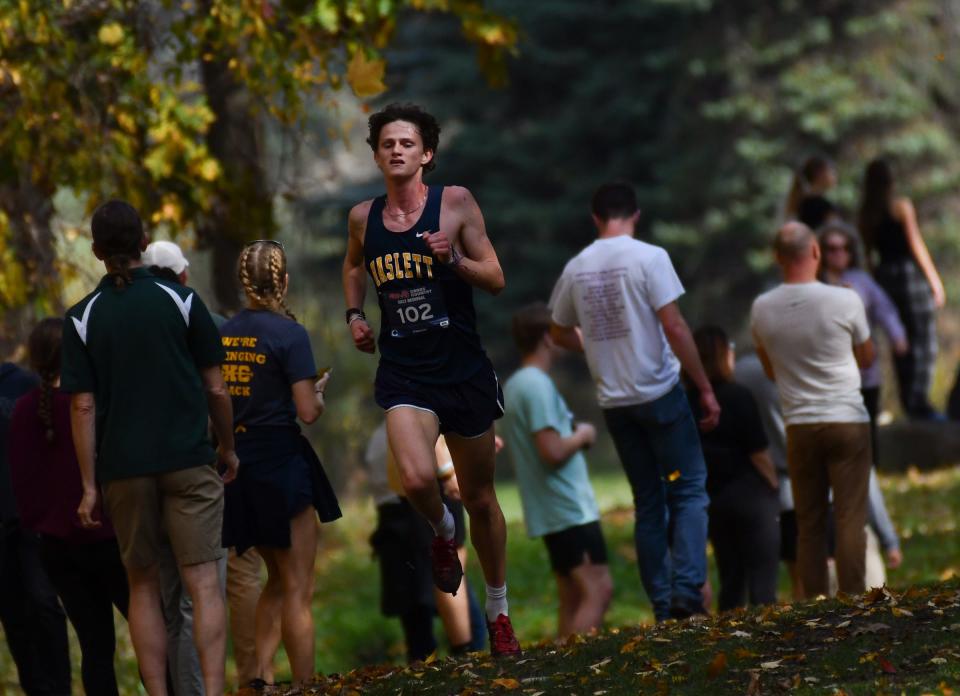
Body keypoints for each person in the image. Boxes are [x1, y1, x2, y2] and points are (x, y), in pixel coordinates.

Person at [341, 103, 520, 656]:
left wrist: (454, 263)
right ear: (376, 155)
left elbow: (495, 278)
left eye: (407, 144)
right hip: (405, 371)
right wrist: (355, 316)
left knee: (482, 498)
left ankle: (498, 612)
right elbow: (353, 266)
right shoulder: (362, 218)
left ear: (427, 154)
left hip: (462, 370)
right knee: (417, 481)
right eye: (387, 143)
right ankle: (445, 532)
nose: (397, 150)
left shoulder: (456, 204)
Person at [61, 199, 237, 695]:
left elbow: (83, 407)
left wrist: (90, 487)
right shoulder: (182, 301)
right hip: (189, 461)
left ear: (96, 250)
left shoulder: (82, 318)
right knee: (203, 583)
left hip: (123, 470)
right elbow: (216, 389)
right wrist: (228, 447)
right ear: (143, 242)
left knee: (143, 586)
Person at [548, 181, 720, 622]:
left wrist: (592, 345)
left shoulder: (577, 267)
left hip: (616, 403)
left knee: (648, 500)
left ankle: (663, 604)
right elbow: (675, 327)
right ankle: (686, 592)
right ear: (635, 215)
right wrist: (702, 385)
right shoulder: (650, 258)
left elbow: (557, 330)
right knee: (688, 489)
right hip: (660, 394)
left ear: (595, 218)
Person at [143, 238, 273, 687]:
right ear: (183, 275)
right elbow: (224, 391)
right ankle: (248, 677)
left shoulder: (124, 320)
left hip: (139, 469)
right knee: (212, 588)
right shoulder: (209, 320)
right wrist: (229, 447)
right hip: (204, 466)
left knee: (168, 596)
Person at [220, 239, 342, 685]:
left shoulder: (223, 334)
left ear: (243, 284)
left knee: (274, 580)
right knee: (297, 589)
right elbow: (307, 412)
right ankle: (306, 685)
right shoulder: (290, 335)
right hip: (281, 464)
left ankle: (260, 679)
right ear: (283, 281)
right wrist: (319, 393)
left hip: (238, 466)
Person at [751, 221, 874, 598]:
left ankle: (815, 604)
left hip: (800, 424)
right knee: (850, 517)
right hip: (847, 420)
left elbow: (770, 369)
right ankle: (853, 600)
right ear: (817, 252)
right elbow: (867, 358)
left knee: (809, 521)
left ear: (777, 259)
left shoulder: (762, 308)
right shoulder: (845, 299)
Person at [8, 318, 130, 695]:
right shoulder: (89, 404)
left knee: (95, 648)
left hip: (58, 549)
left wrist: (44, 524)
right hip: (110, 540)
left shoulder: (23, 410)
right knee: (152, 628)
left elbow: (22, 483)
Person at [501, 303, 612, 637]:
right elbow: (550, 450)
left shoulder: (518, 384)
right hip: (568, 509)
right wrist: (583, 435)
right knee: (599, 589)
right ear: (548, 338)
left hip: (552, 510)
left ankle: (558, 671)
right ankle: (577, 670)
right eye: (562, 330)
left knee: (573, 595)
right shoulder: (535, 385)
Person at [818, 222, 905, 577]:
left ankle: (876, 529)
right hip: (829, 386)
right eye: (832, 248)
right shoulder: (816, 287)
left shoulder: (862, 283)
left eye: (844, 248)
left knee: (862, 458)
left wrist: (898, 338)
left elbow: (885, 311)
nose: (839, 255)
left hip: (863, 381)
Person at [365, 423, 486, 662]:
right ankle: (466, 656)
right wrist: (449, 471)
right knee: (451, 571)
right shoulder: (407, 423)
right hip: (423, 498)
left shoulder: (380, 437)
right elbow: (428, 426)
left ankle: (447, 661)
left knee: (418, 622)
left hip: (398, 521)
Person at [688, 327, 779, 611]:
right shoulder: (738, 395)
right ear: (723, 356)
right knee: (763, 579)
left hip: (712, 496)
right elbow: (758, 451)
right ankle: (769, 637)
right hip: (750, 495)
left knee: (731, 576)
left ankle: (727, 637)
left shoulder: (686, 401)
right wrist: (774, 484)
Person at [0, 358, 72, 694]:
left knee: (43, 603)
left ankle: (60, 687)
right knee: (12, 613)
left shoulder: (22, 383)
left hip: (30, 517)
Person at [857, 158, 945, 420]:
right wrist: (934, 280)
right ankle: (919, 401)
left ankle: (909, 401)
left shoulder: (866, 215)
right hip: (908, 277)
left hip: (885, 278)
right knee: (923, 340)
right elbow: (916, 245)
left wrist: (876, 286)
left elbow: (869, 256)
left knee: (900, 342)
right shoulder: (900, 207)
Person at [783, 155, 837, 222]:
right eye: (832, 172)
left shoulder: (800, 201)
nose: (835, 176)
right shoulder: (822, 206)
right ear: (819, 174)